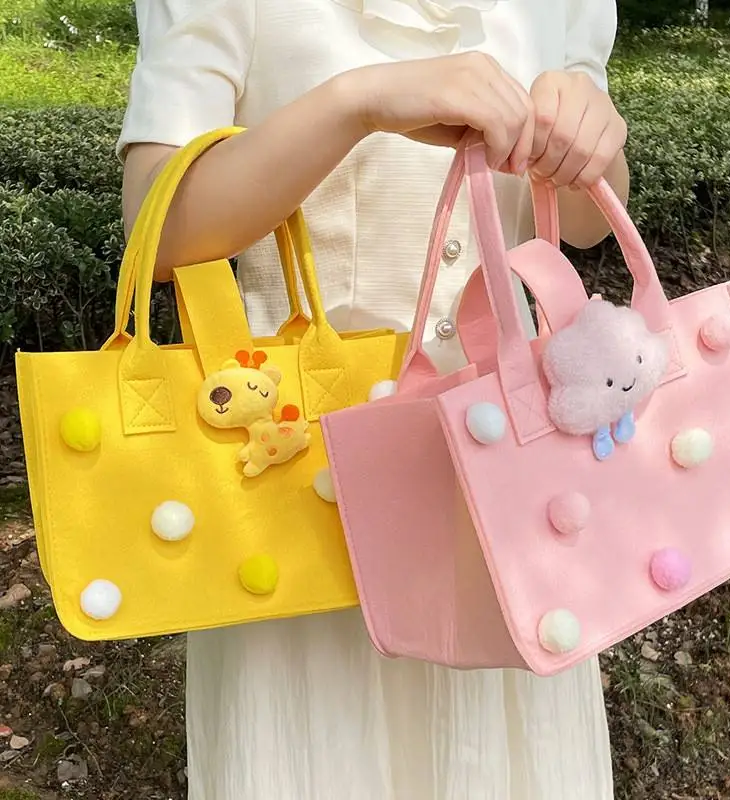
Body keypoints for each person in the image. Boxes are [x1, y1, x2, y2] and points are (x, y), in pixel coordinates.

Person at [119, 1, 629, 797]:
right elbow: (160, 225)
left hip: (508, 484)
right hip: (300, 492)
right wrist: (356, 104)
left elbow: (583, 222)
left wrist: (591, 140)